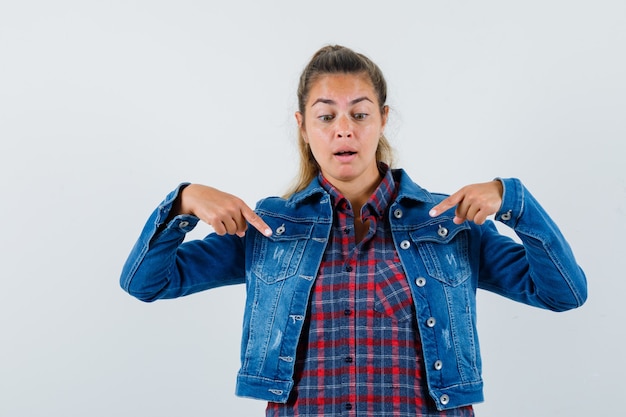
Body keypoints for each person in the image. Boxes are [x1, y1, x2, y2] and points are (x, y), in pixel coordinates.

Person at [120, 45, 587, 416]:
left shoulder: (449, 224)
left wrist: (514, 202)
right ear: (304, 127)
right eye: (326, 116)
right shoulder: (270, 227)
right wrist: (182, 203)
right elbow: (146, 283)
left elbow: (563, 292)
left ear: (383, 118)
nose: (344, 130)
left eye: (360, 114)